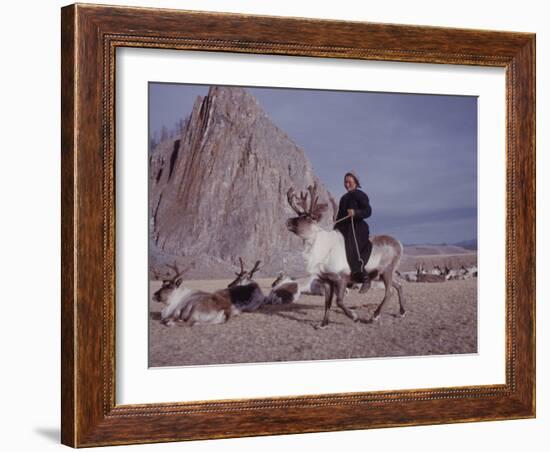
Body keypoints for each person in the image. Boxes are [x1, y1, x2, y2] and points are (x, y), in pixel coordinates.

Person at [334, 172, 372, 292]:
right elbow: (340, 217)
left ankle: (365, 277)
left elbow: (368, 211)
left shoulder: (360, 195)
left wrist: (356, 213)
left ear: (355, 182)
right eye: (345, 182)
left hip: (358, 228)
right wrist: (334, 229)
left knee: (351, 247)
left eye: (349, 182)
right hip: (345, 228)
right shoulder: (343, 198)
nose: (347, 184)